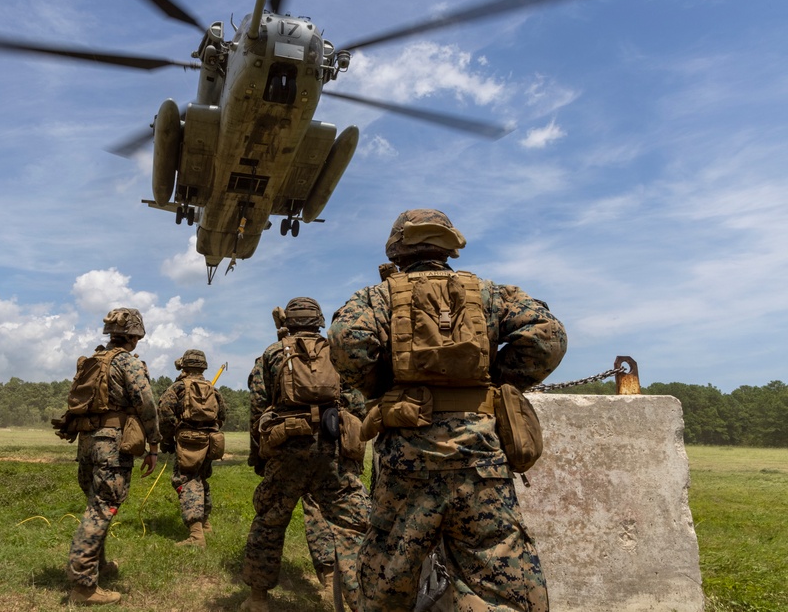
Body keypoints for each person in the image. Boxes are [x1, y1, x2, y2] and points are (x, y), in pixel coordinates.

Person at [327, 209, 567, 612]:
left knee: (389, 575)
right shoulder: (490, 293)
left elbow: (347, 343)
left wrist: (386, 390)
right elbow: (548, 336)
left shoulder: (377, 296)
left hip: (408, 458)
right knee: (500, 577)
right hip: (480, 456)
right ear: (448, 247)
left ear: (398, 249)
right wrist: (497, 380)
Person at [241, 297, 370, 612]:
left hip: (287, 447)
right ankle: (353, 596)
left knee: (270, 519)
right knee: (350, 523)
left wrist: (260, 455)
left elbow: (258, 409)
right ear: (319, 321)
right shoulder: (336, 353)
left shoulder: (270, 355)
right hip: (332, 446)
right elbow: (355, 402)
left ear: (289, 321)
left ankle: (258, 598)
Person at [65, 308, 161, 606]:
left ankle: (98, 566)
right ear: (135, 335)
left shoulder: (92, 361)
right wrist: (154, 443)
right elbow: (146, 403)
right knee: (102, 508)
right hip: (111, 445)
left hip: (87, 443)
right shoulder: (127, 363)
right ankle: (83, 585)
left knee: (96, 505)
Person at [157, 348, 227, 547]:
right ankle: (205, 525)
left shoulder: (178, 388)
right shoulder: (212, 389)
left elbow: (164, 411)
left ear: (184, 366)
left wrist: (169, 438)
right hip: (210, 442)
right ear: (203, 367)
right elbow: (222, 413)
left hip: (187, 442)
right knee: (201, 479)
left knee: (187, 481)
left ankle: (196, 536)